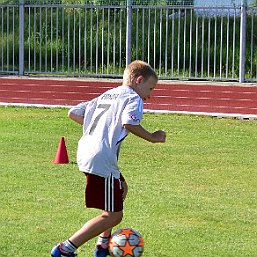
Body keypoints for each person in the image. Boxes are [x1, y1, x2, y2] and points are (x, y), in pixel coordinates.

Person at [51, 60, 166, 257]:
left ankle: (103, 245)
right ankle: (65, 249)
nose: (150, 95)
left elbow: (74, 113)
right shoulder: (133, 97)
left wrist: (100, 128)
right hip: (100, 158)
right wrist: (153, 137)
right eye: (150, 88)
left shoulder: (108, 94)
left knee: (122, 187)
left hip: (88, 152)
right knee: (113, 215)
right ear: (139, 80)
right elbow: (129, 123)